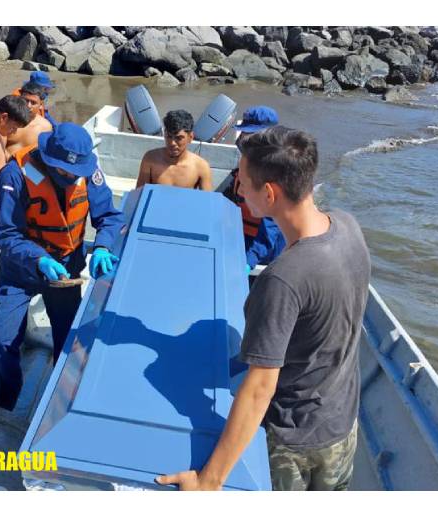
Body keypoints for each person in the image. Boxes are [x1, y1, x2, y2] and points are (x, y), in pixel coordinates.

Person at [156, 126, 371, 491]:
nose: (238, 190)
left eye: (242, 182)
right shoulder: (348, 226)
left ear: (269, 193)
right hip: (342, 423)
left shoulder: (282, 279)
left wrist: (208, 481)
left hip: (293, 441)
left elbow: (259, 389)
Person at [0, 123, 125, 410]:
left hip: (65, 268)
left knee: (68, 338)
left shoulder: (89, 173)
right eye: (65, 172)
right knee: (1, 336)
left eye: (76, 172)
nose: (72, 177)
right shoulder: (15, 174)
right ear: (49, 160)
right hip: (22, 268)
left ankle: (61, 397)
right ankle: (11, 391)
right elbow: (7, 234)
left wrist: (102, 246)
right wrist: (38, 259)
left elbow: (110, 217)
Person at [220, 106, 286, 272]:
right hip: (241, 236)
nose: (245, 140)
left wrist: (250, 261)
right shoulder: (246, 163)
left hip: (265, 248)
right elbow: (230, 197)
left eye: (251, 135)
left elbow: (271, 227)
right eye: (244, 133)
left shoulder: (277, 175)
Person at [136, 110, 212, 191]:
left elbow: (207, 198)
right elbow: (139, 194)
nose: (172, 143)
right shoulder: (150, 160)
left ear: (190, 137)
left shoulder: (201, 167)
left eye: (179, 138)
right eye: (169, 136)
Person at [6, 81, 54, 155]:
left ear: (41, 105)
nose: (28, 106)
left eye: (33, 103)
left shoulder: (45, 127)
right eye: (25, 101)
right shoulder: (6, 120)